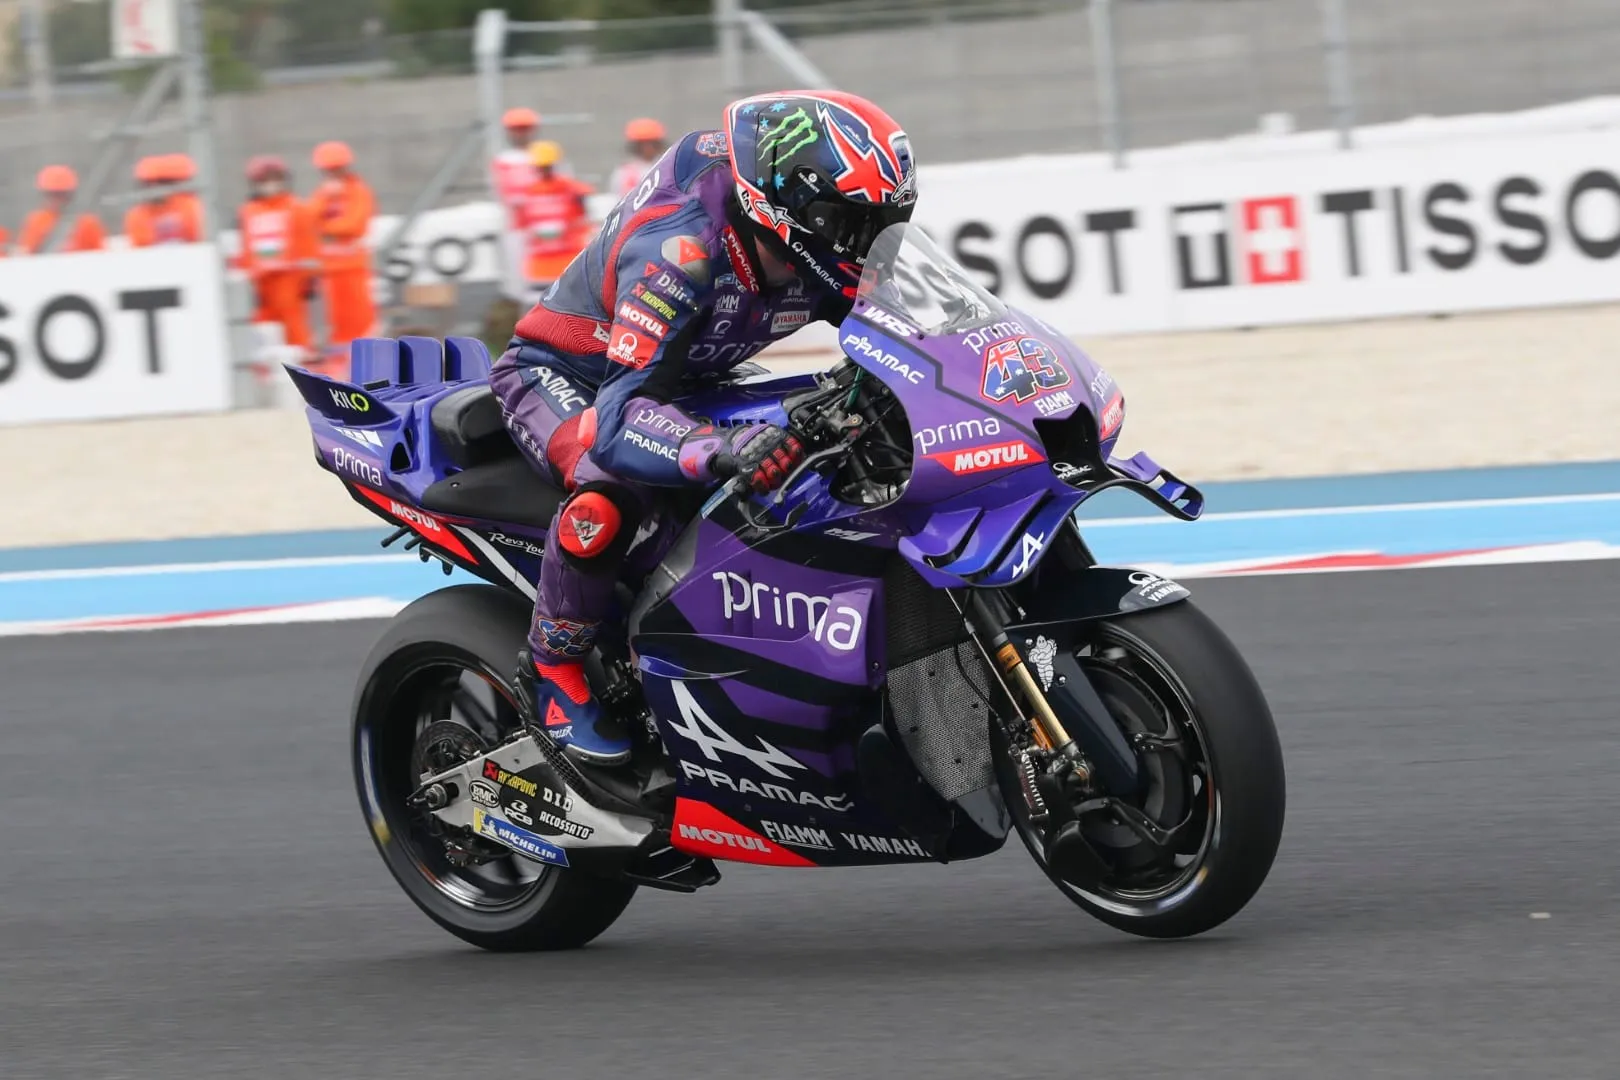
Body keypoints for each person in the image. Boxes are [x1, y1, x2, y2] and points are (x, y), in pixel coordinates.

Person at [489, 91, 917, 764]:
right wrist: (722, 450)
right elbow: (622, 422)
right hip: (577, 380)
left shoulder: (818, 243)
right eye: (853, 224)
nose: (868, 245)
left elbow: (917, 335)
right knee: (611, 487)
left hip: (685, 379)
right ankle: (553, 670)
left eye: (885, 224)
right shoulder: (680, 251)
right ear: (790, 210)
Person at [307, 141, 378, 368]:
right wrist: (327, 201)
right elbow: (309, 220)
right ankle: (338, 366)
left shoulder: (359, 191)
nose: (332, 173)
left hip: (354, 267)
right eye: (328, 169)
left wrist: (326, 229)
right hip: (328, 271)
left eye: (336, 168)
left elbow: (353, 225)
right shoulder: (322, 194)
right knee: (334, 325)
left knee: (360, 321)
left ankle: (364, 364)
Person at [238, 155, 319, 350]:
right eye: (264, 180)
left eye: (275, 179)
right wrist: (247, 276)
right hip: (261, 279)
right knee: (262, 323)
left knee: (293, 321)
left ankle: (302, 358)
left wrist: (309, 277)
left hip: (289, 276)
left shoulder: (296, 207)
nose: (270, 185)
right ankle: (267, 362)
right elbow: (247, 244)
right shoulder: (249, 210)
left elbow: (307, 242)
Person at [515, 141, 595, 295]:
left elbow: (585, 222)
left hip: (568, 264)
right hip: (540, 268)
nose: (544, 171)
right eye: (541, 166)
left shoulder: (572, 190)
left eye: (547, 166)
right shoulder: (527, 194)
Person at [16, 165, 105, 254]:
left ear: (70, 196)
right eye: (52, 194)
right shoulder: (35, 221)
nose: (56, 200)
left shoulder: (87, 222)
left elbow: (99, 258)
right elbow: (28, 255)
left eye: (61, 195)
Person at [125, 154, 203, 246]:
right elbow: (140, 243)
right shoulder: (138, 214)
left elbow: (199, 237)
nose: (152, 188)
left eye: (162, 182)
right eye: (147, 184)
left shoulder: (194, 208)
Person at [607, 117, 668, 200]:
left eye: (651, 143)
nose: (647, 148)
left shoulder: (669, 167)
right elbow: (617, 200)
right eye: (643, 144)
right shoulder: (623, 173)